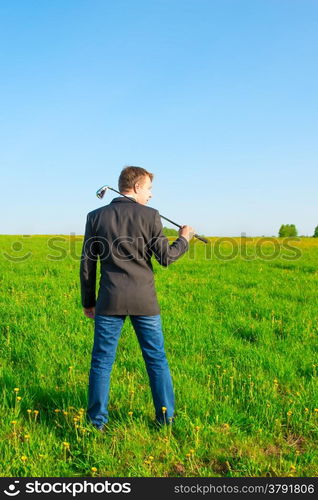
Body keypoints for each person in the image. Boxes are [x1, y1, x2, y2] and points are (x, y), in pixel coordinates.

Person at [80, 166, 195, 430]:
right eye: (149, 189)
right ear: (136, 187)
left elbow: (88, 263)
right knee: (156, 359)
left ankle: (96, 423)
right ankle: (165, 420)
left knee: (101, 361)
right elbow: (166, 257)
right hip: (145, 302)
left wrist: (88, 301)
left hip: (109, 300)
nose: (151, 195)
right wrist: (184, 238)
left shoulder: (96, 216)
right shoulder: (151, 216)